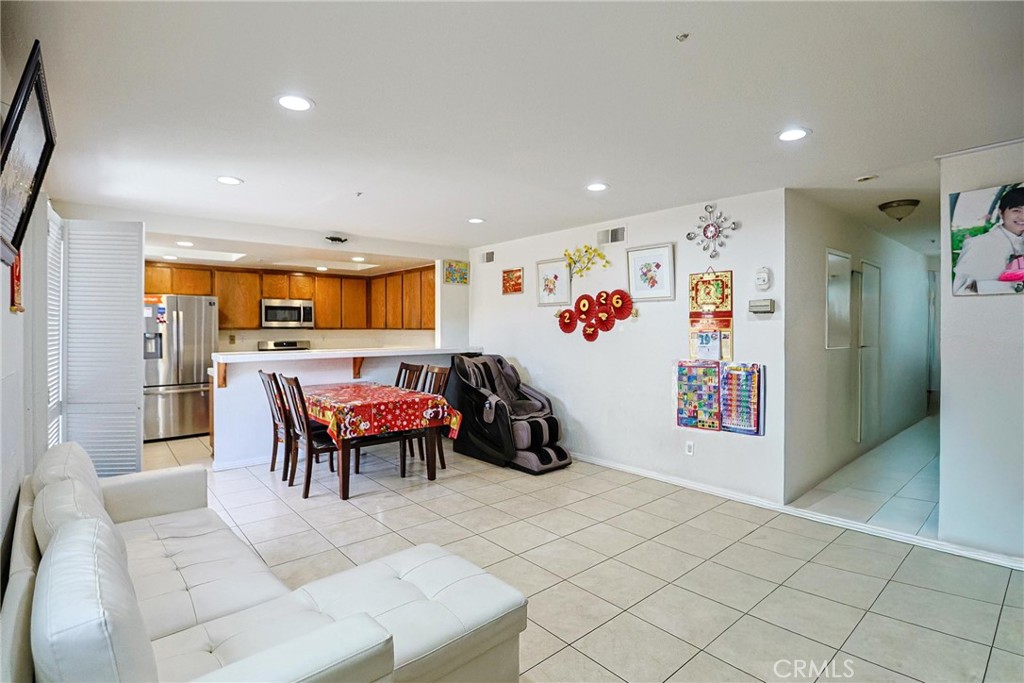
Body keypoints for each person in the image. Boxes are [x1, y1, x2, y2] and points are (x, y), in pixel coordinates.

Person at [953, 187, 1024, 294]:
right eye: (1016, 210)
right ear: (1001, 213)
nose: (1022, 217)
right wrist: (1010, 287)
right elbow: (959, 290)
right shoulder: (977, 244)